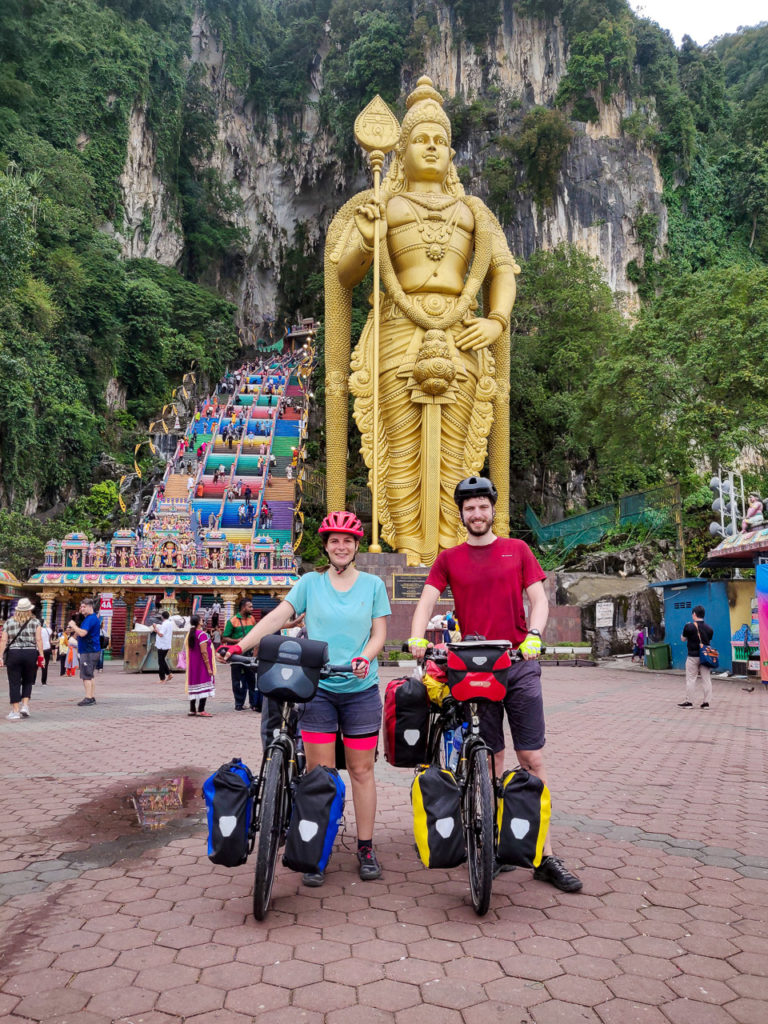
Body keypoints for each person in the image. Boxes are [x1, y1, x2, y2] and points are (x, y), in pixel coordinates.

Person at [325, 76, 519, 565]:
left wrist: (495, 320)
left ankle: (454, 544)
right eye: (421, 140)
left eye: (440, 142)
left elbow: (503, 271)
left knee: (457, 449)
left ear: (451, 154)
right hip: (397, 331)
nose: (431, 149)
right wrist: (369, 239)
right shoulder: (383, 204)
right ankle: (410, 543)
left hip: (461, 329)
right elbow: (344, 274)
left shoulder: (474, 211)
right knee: (399, 442)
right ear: (401, 151)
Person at [409, 476, 583, 893]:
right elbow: (426, 601)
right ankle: (489, 844)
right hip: (472, 666)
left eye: (482, 506)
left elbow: (538, 599)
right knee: (488, 759)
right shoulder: (449, 558)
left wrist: (535, 635)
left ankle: (544, 853)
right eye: (469, 508)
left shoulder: (517, 550)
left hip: (518, 663)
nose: (477, 514)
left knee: (532, 759)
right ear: (462, 515)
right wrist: (417, 637)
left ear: (492, 510)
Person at [220, 511, 390, 885]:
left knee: (361, 771)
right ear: (326, 547)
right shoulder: (310, 584)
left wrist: (367, 656)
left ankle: (365, 846)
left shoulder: (373, 585)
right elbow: (279, 617)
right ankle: (318, 848)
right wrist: (240, 645)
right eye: (334, 541)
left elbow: (379, 633)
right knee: (319, 775)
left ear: (356, 546)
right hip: (318, 690)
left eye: (347, 540)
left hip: (360, 688)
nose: (341, 546)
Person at [0, 598, 44, 720]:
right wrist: (41, 655)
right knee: (28, 680)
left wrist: (0, 656)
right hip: (30, 653)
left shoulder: (8, 622)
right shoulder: (36, 622)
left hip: (14, 653)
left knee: (14, 682)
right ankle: (25, 705)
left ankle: (15, 711)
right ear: (29, 610)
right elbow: (39, 640)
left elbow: (3, 640)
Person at [222, 598, 260, 711]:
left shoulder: (252, 619)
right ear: (243, 607)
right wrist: (237, 640)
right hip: (237, 654)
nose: (252, 609)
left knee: (252, 679)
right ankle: (239, 703)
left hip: (250, 654)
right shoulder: (232, 620)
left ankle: (253, 703)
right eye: (250, 607)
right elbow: (224, 637)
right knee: (237, 679)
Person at [67, 598, 101, 706]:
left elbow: (82, 633)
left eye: (84, 607)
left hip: (89, 650)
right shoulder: (89, 618)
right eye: (81, 607)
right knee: (90, 675)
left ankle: (88, 697)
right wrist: (73, 629)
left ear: (90, 607)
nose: (81, 609)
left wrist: (74, 626)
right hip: (90, 650)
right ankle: (91, 696)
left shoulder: (90, 619)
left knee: (86, 675)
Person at [679, 606, 714, 709]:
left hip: (692, 656)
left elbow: (683, 639)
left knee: (691, 679)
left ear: (694, 614)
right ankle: (706, 703)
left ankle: (689, 702)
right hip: (705, 657)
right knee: (706, 679)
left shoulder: (688, 627)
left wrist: (685, 630)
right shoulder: (709, 629)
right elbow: (708, 641)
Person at [185, 615, 215, 716]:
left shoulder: (191, 634)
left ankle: (192, 709)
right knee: (204, 683)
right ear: (198, 622)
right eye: (201, 620)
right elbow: (204, 652)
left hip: (194, 664)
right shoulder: (201, 634)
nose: (203, 621)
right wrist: (208, 667)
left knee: (194, 684)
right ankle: (201, 709)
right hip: (202, 664)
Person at [152, 610, 175, 684]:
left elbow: (161, 634)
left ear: (162, 617)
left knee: (160, 661)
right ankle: (169, 674)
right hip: (166, 644)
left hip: (162, 645)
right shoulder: (169, 623)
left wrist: (155, 628)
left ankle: (162, 678)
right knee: (162, 660)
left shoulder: (165, 624)